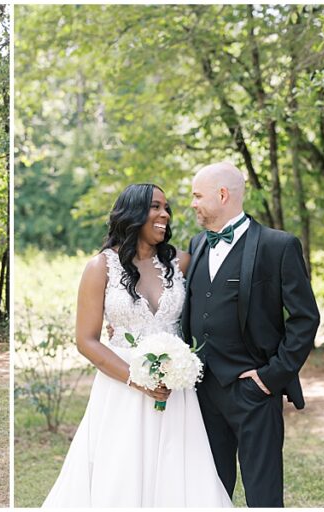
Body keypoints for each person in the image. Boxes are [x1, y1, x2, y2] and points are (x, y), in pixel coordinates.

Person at [43, 184, 232, 508]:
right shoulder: (100, 268)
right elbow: (86, 340)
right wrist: (137, 378)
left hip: (174, 390)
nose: (165, 215)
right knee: (121, 471)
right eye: (155, 207)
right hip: (122, 390)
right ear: (132, 213)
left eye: (167, 208)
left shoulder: (181, 263)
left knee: (180, 470)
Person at [183, 162, 320, 507]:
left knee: (263, 495)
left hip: (254, 391)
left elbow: (305, 318)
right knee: (209, 491)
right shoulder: (197, 244)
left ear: (223, 195)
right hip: (202, 390)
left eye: (198, 196)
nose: (193, 203)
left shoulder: (279, 245)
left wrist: (271, 377)